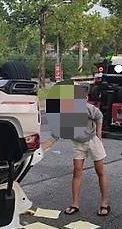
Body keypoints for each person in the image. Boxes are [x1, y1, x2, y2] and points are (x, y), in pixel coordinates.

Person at [42, 83, 111, 217]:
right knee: (77, 171)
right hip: (78, 144)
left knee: (100, 171)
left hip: (92, 141)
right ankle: (75, 204)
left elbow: (99, 116)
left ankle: (104, 203)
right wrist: (40, 149)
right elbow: (54, 136)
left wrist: (99, 134)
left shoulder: (88, 109)